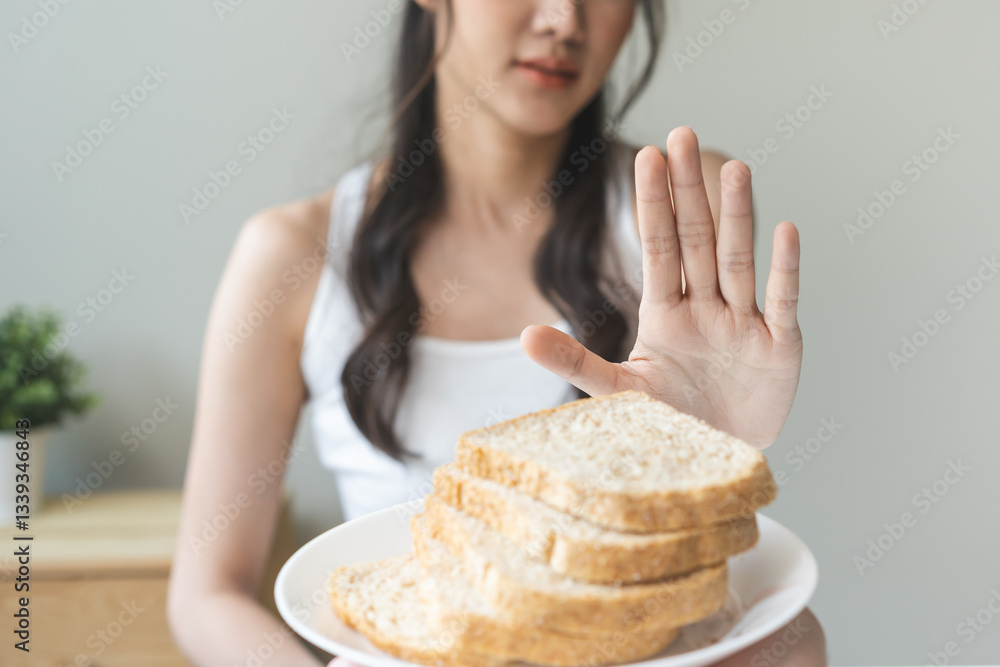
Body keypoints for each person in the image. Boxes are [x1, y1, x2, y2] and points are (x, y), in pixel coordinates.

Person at [167, 0, 827, 665]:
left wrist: (710, 452)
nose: (565, 20)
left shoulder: (686, 208)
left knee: (797, 645)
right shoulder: (291, 255)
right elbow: (206, 594)